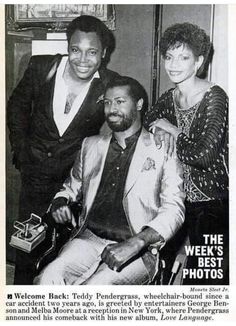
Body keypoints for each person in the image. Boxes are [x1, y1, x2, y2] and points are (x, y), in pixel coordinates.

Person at [34, 76, 185, 285]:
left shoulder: (163, 149)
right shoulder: (90, 146)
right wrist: (60, 202)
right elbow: (70, 188)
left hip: (138, 249)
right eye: (107, 102)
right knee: (48, 278)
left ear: (139, 104)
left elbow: (174, 210)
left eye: (120, 101)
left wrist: (137, 242)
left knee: (96, 289)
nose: (111, 109)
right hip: (88, 239)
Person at [7, 15, 119, 284]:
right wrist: (22, 151)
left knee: (61, 254)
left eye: (92, 52)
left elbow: (134, 105)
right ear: (67, 47)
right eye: (75, 50)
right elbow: (17, 107)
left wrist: (161, 122)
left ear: (103, 53)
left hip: (71, 182)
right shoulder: (40, 66)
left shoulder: (109, 83)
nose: (83, 59)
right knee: (26, 249)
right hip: (34, 174)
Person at [143, 23, 228, 285]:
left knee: (203, 278)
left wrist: (173, 130)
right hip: (175, 195)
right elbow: (149, 118)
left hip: (211, 202)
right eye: (169, 56)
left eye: (184, 57)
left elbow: (204, 156)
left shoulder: (214, 96)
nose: (173, 64)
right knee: (160, 265)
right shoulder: (171, 96)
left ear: (199, 61)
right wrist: (160, 129)